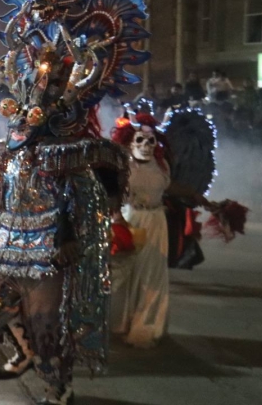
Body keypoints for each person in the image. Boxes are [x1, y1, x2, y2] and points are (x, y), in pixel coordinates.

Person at [0, 0, 137, 404]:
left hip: (49, 244)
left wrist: (69, 234)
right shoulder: (11, 147)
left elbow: (83, 190)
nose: (28, 106)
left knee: (48, 320)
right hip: (9, 239)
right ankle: (27, 353)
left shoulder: (67, 148)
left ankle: (57, 384)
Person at [110, 114, 171, 348]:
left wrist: (201, 201)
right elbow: (112, 193)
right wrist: (116, 217)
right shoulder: (122, 164)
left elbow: (169, 188)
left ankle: (146, 325)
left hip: (156, 222)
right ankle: (120, 323)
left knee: (152, 275)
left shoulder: (162, 165)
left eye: (151, 141)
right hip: (129, 220)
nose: (146, 145)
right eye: (141, 140)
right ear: (130, 141)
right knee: (124, 274)